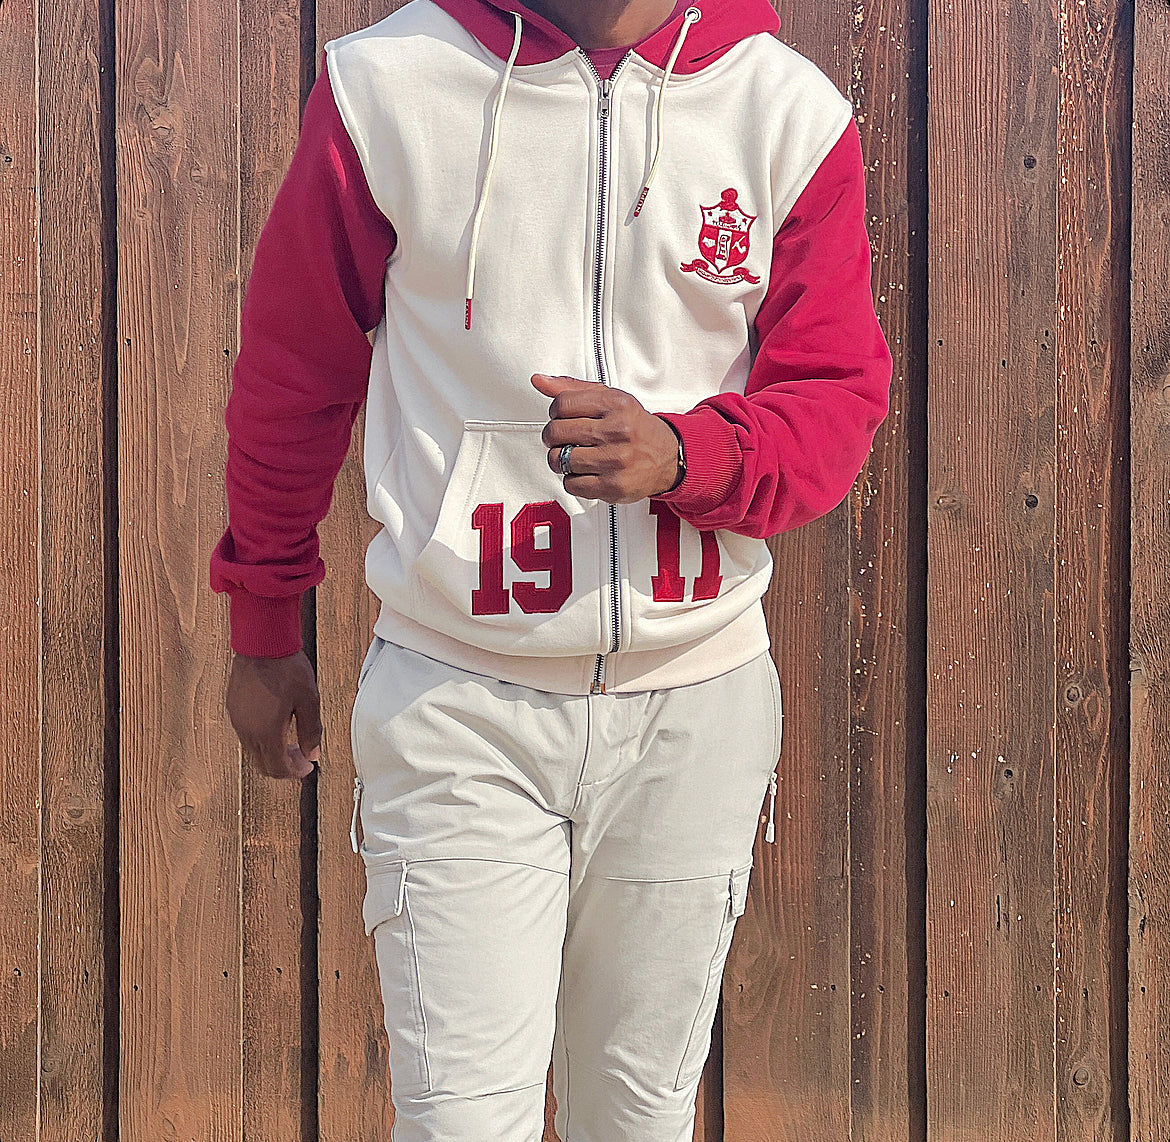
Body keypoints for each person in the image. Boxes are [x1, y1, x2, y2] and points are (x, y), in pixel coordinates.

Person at [211, 0, 892, 1136]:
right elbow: (294, 371)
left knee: (637, 1117)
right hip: (458, 697)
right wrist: (264, 621)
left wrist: (687, 454)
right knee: (461, 1122)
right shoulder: (388, 86)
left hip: (694, 702)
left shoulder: (786, 111)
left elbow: (836, 395)